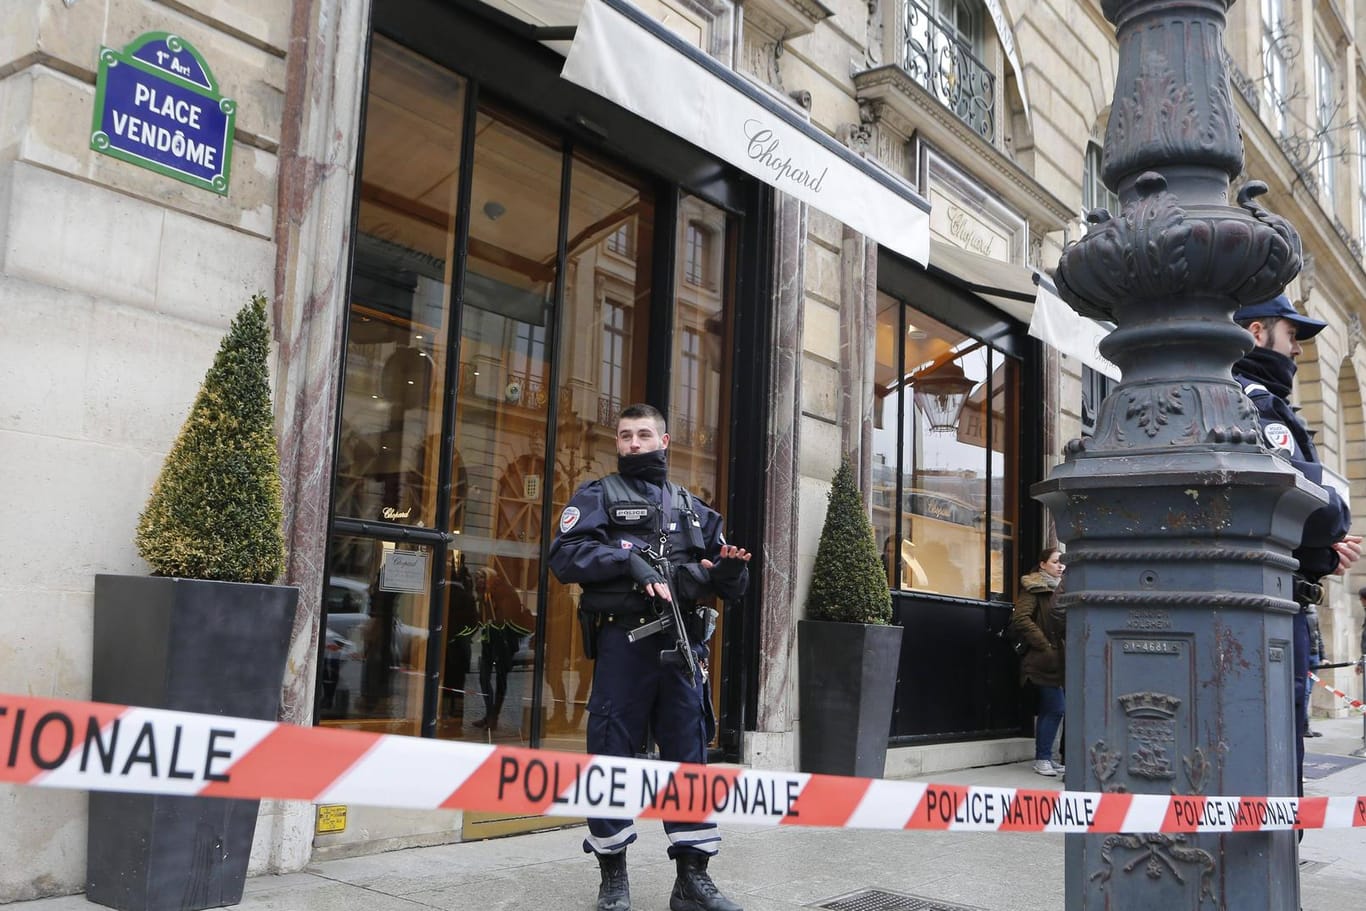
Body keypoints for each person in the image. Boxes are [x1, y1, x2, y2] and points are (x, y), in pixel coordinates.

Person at [549, 403, 751, 911]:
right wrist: (629, 561)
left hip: (682, 651)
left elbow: (731, 580)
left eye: (643, 435)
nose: (633, 444)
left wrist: (728, 576)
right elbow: (564, 556)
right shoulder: (597, 496)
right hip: (625, 645)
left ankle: (692, 879)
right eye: (625, 436)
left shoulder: (693, 508)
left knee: (689, 757)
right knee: (612, 753)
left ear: (664, 441)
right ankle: (613, 875)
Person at [1232, 294, 1362, 793]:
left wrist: (1322, 555)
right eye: (1293, 336)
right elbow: (1321, 508)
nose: (1300, 351)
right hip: (1267, 611)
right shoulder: (1255, 401)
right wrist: (1328, 522)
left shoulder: (1265, 398)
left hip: (1280, 593)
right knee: (1273, 743)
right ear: (1258, 332)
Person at [1011, 547, 1066, 777]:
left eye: (1063, 563)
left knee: (1052, 709)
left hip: (1059, 661)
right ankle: (1043, 758)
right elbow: (1020, 618)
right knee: (1055, 708)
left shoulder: (1062, 590)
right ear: (1043, 564)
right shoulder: (1034, 588)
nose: (1060, 566)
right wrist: (1044, 644)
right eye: (1055, 562)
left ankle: (1048, 758)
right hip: (1041, 660)